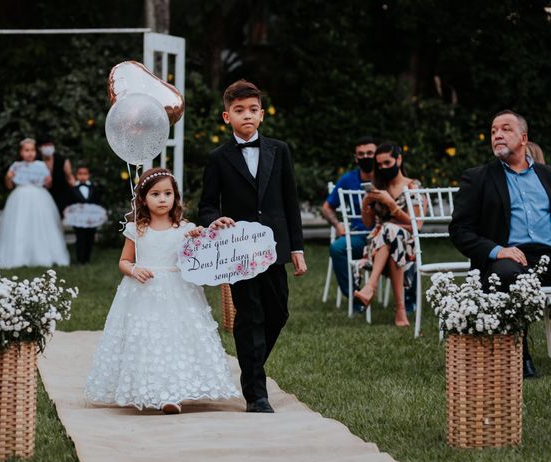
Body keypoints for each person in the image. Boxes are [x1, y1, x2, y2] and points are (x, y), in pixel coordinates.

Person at [85, 167, 239, 414]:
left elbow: (200, 255)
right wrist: (134, 270)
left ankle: (173, 394)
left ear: (175, 197)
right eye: (156, 194)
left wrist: (200, 237)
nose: (162, 199)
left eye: (168, 193)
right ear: (143, 199)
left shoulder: (185, 228)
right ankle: (150, 389)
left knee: (176, 340)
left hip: (178, 292)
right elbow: (124, 261)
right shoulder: (137, 229)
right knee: (149, 341)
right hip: (144, 292)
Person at [198, 79, 306, 413]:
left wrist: (297, 249)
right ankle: (256, 394)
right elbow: (206, 206)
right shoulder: (218, 158)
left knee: (278, 312)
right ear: (226, 116)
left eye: (253, 110)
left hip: (273, 248)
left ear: (261, 115)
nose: (247, 115)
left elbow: (290, 201)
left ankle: (252, 363)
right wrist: (213, 221)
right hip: (238, 251)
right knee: (250, 315)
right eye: (239, 110)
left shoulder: (280, 150)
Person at [450, 110, 551, 378]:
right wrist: (498, 250)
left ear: (523, 138)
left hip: (548, 255)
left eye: (506, 129)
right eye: (494, 130)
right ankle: (520, 356)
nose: (497, 135)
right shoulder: (478, 178)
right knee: (505, 274)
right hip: (510, 255)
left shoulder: (546, 175)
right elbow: (460, 230)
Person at [353, 143, 423, 328]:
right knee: (389, 232)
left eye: (387, 163)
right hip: (376, 247)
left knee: (392, 232)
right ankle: (400, 310)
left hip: (407, 246)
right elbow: (368, 224)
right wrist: (366, 203)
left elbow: (417, 225)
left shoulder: (412, 186)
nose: (383, 168)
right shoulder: (378, 186)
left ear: (398, 160)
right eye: (380, 165)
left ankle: (370, 287)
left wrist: (391, 205)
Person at [0, 138, 70, 268]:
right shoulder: (16, 166)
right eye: (26, 150)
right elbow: (9, 186)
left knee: (40, 224)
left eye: (32, 150)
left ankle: (43, 254)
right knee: (20, 224)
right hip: (20, 197)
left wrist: (48, 180)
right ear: (21, 152)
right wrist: (8, 177)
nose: (30, 153)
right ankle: (19, 256)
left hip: (39, 197)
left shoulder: (41, 166)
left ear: (36, 152)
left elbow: (48, 184)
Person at [321, 136, 376, 311]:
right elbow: (327, 207)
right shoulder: (347, 180)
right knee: (337, 248)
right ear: (356, 157)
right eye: (361, 154)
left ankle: (409, 301)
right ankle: (355, 297)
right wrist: (338, 225)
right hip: (358, 236)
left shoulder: (386, 177)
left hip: (384, 235)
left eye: (370, 153)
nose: (365, 157)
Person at [69, 165, 100, 264]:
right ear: (76, 175)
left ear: (89, 175)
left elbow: (97, 202)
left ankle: (87, 258)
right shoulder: (73, 189)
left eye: (85, 174)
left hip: (91, 219)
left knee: (90, 238)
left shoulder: (94, 188)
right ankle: (80, 260)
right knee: (80, 238)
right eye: (80, 174)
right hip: (78, 219)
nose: (82, 176)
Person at [39, 136, 75, 217]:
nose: (48, 148)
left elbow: (70, 178)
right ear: (40, 148)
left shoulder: (62, 160)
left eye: (50, 145)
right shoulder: (36, 161)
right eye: (45, 145)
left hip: (60, 194)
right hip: (42, 195)